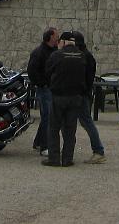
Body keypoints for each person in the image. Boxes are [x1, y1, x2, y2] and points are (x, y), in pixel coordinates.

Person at [42, 31, 87, 167]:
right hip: (75, 96)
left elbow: (47, 72)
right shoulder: (81, 56)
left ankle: (54, 158)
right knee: (70, 129)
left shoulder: (56, 55)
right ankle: (67, 159)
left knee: (53, 128)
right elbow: (86, 75)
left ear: (63, 42)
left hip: (58, 96)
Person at [72, 31, 105, 163]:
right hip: (81, 93)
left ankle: (98, 151)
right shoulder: (84, 55)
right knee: (81, 121)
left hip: (81, 94)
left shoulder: (84, 56)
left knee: (86, 122)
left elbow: (86, 78)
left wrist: (81, 90)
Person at [28, 26, 59, 154]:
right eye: (56, 35)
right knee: (48, 116)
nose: (58, 37)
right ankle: (45, 146)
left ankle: (38, 142)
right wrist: (42, 83)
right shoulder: (39, 53)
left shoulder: (54, 51)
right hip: (45, 88)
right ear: (51, 37)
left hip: (51, 87)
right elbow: (32, 71)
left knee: (47, 116)